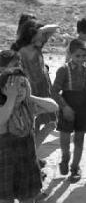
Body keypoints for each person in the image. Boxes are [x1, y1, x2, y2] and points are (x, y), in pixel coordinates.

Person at [0, 68, 58, 203]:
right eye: (14, 85)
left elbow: (53, 106)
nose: (20, 89)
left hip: (25, 166)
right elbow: (1, 120)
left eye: (23, 84)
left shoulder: (28, 107)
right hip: (4, 167)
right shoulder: (3, 107)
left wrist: (29, 94)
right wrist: (10, 98)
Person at [51, 40, 86, 182]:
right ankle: (65, 158)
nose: (81, 59)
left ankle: (75, 167)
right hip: (68, 105)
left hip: (83, 106)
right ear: (70, 54)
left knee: (80, 138)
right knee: (65, 137)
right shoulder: (63, 70)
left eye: (84, 55)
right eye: (78, 56)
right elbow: (53, 91)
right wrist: (64, 107)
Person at [11, 19, 58, 156]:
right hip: (31, 92)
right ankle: (31, 156)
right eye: (40, 35)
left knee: (51, 123)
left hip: (44, 89)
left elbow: (55, 27)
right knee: (33, 126)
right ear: (30, 35)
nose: (44, 38)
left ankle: (32, 153)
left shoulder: (37, 46)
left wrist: (40, 31)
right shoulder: (21, 52)